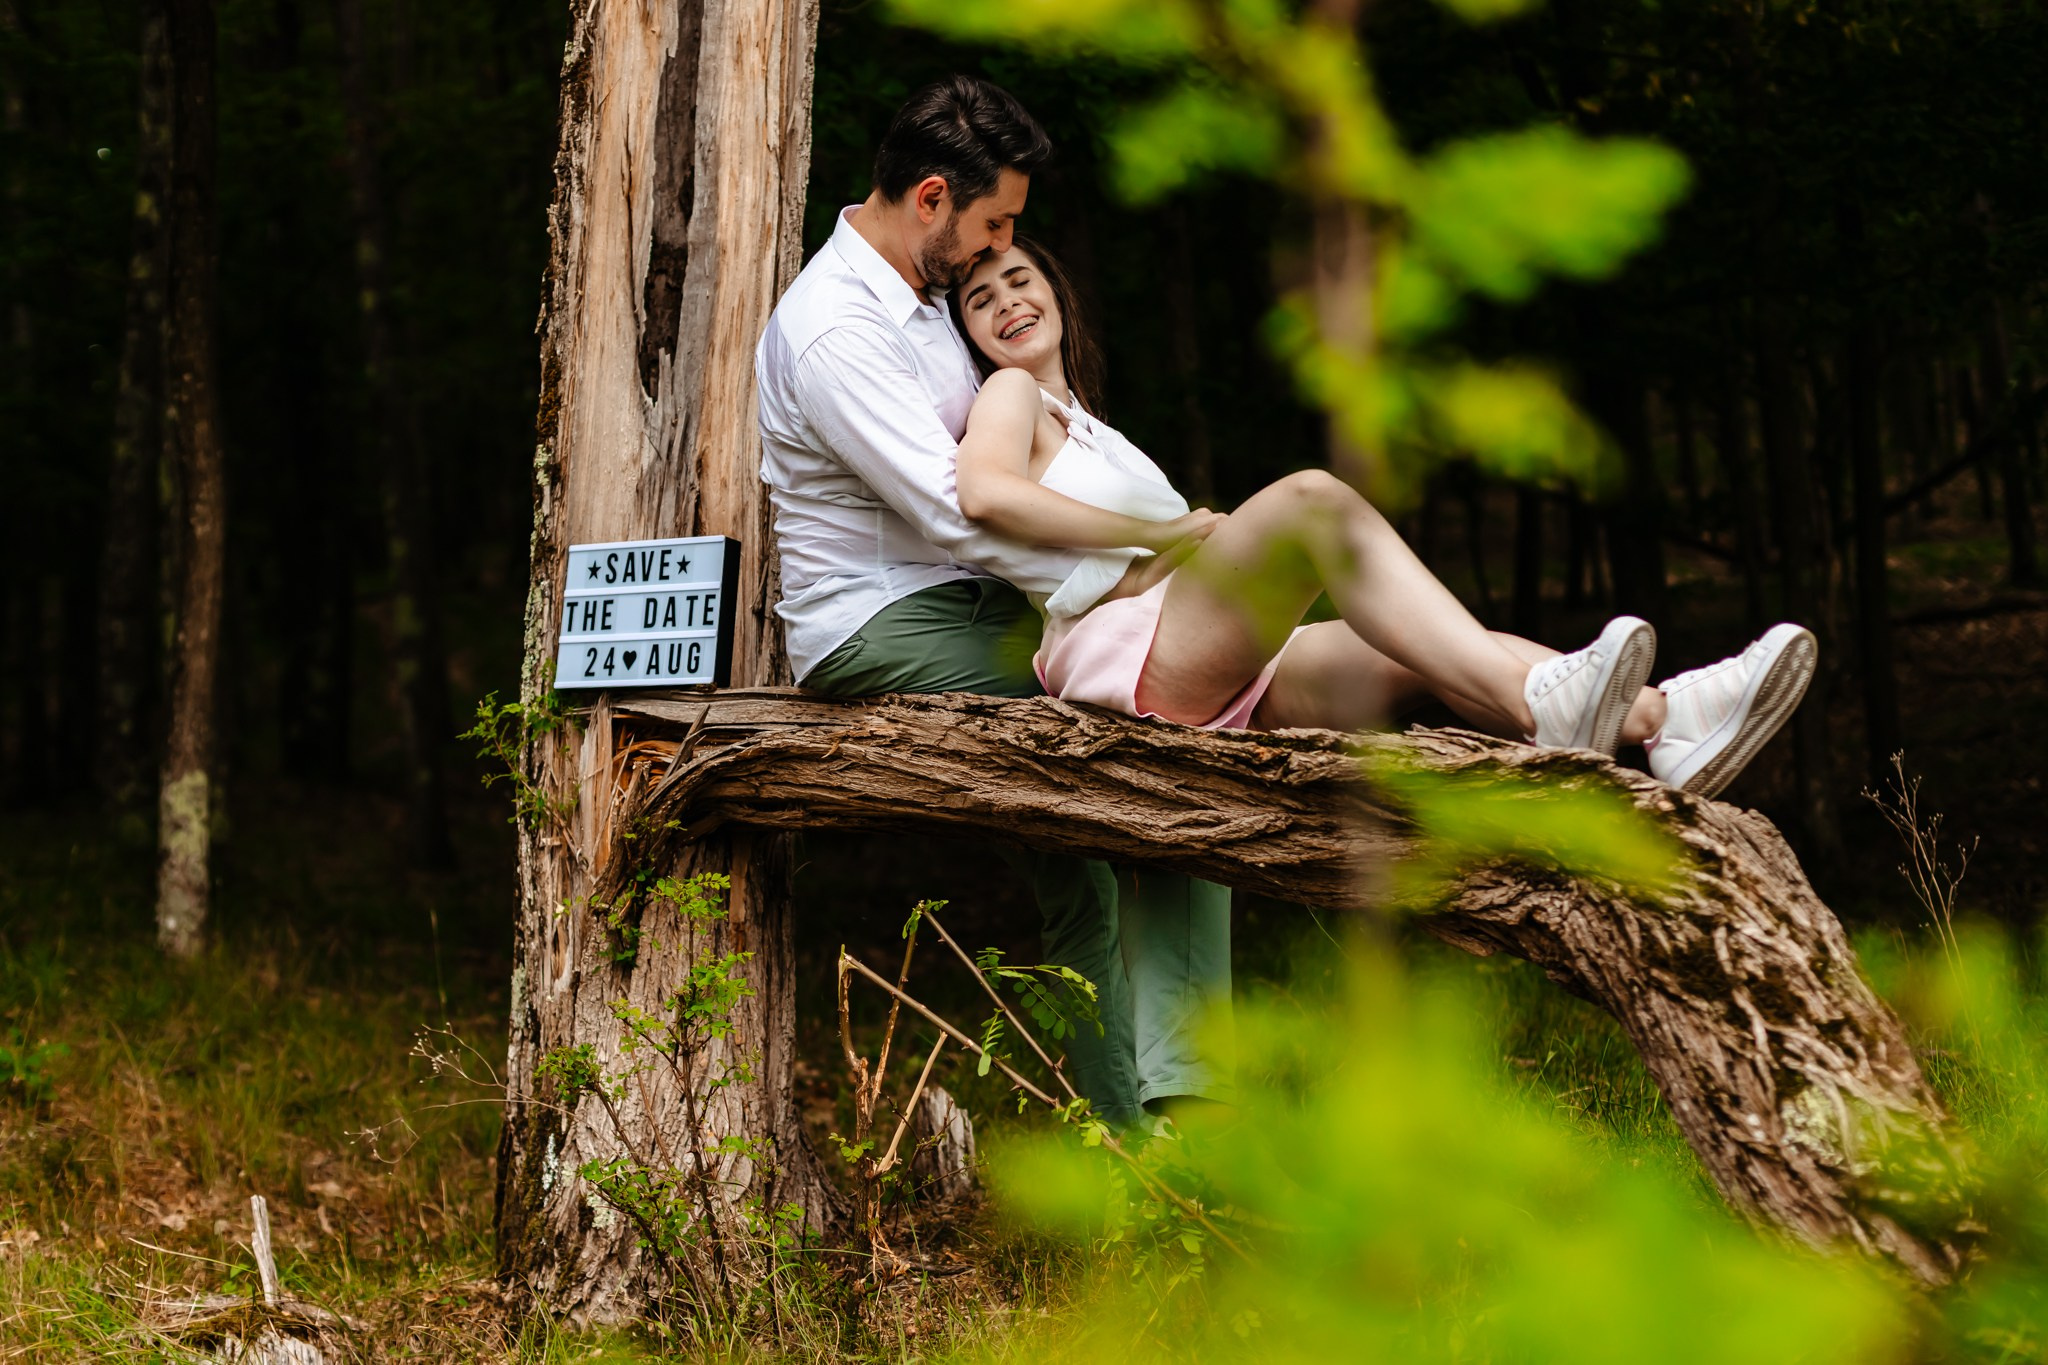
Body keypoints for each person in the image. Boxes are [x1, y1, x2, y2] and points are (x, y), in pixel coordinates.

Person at [755, 77, 1232, 1130]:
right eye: (994, 222)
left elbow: (1026, 462)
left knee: (1181, 731)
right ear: (932, 198)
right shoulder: (834, 330)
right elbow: (959, 515)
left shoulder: (925, 301)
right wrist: (1137, 571)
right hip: (881, 627)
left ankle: (1185, 1098)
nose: (999, 245)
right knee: (1143, 721)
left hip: (984, 606)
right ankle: (1141, 1135)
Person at [946, 236, 1818, 795]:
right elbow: (986, 493)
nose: (1007, 302)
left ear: (1056, 292)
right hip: (1133, 660)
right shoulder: (1010, 393)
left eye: (1019, 280)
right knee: (1314, 501)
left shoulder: (1092, 423)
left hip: (1211, 658)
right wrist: (1162, 534)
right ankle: (1552, 711)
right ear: (973, 336)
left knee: (1408, 646)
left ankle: (1667, 724)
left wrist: (1158, 546)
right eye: (981, 300)